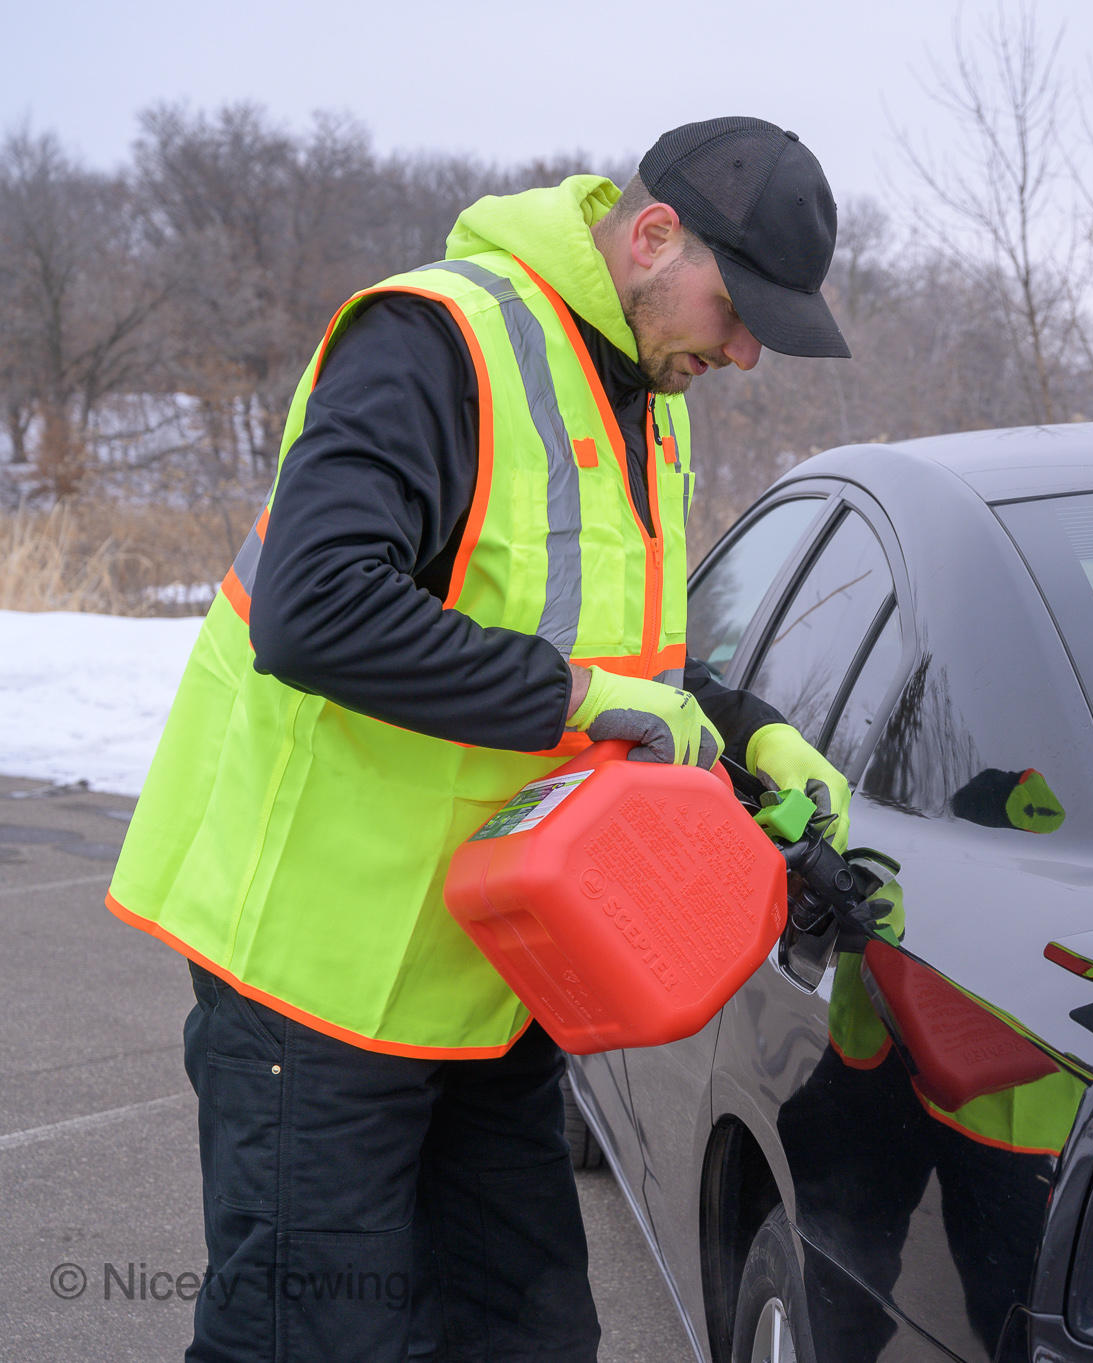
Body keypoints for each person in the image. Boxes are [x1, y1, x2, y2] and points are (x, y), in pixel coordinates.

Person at [105, 116, 853, 1362]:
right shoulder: (434, 339)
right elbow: (316, 609)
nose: (747, 350)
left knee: (526, 1333)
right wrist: (578, 701)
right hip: (315, 980)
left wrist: (749, 735)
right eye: (738, 309)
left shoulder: (644, 392)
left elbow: (628, 661)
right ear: (655, 236)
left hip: (489, 976)